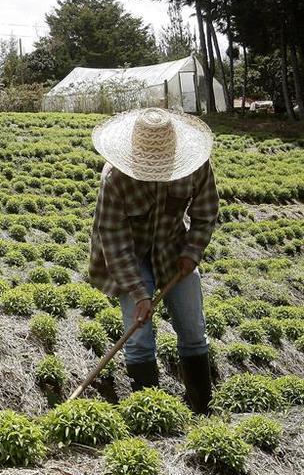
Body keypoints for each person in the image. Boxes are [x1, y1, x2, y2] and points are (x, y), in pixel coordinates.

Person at [89, 108, 219, 414]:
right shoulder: (115, 179)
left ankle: (201, 407)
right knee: (138, 337)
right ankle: (151, 415)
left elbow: (206, 212)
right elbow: (114, 240)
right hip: (129, 256)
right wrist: (139, 293)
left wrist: (192, 252)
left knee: (193, 330)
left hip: (173, 248)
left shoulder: (195, 166)